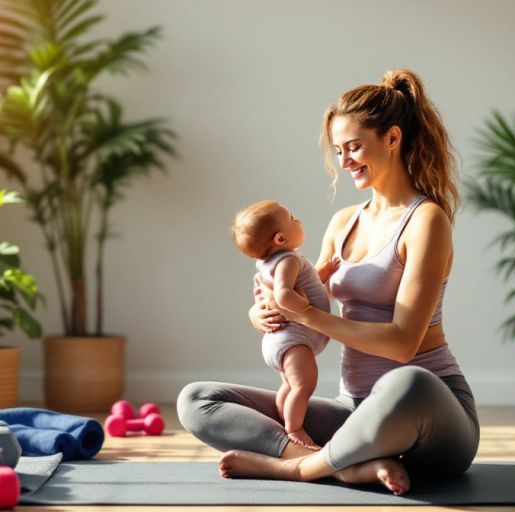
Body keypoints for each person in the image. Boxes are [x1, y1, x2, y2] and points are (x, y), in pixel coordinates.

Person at [178, 68, 479, 496]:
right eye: (339, 150)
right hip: (354, 410)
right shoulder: (344, 223)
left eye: (354, 147)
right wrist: (264, 313)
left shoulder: (426, 220)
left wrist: (306, 314)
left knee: (405, 379)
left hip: (430, 420)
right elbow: (305, 299)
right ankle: (342, 466)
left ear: (392, 139)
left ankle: (297, 469)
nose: (344, 161)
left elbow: (402, 344)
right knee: (197, 398)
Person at [231, 200, 339, 449]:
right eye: (292, 218)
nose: (297, 220)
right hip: (292, 339)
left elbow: (310, 282)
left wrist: (326, 271)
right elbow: (283, 295)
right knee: (304, 384)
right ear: (280, 239)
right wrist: (304, 311)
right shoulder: (288, 261)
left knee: (289, 385)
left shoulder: (270, 262)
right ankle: (295, 429)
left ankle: (282, 422)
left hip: (279, 339)